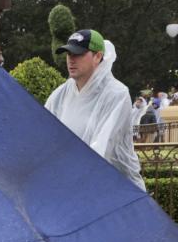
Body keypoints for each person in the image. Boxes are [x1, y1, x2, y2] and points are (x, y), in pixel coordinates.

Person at [45, 29, 146, 190]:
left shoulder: (116, 94)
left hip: (117, 189)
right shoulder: (60, 95)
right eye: (69, 54)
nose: (71, 60)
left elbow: (102, 147)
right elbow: (44, 134)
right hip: (72, 188)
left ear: (98, 57)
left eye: (78, 54)